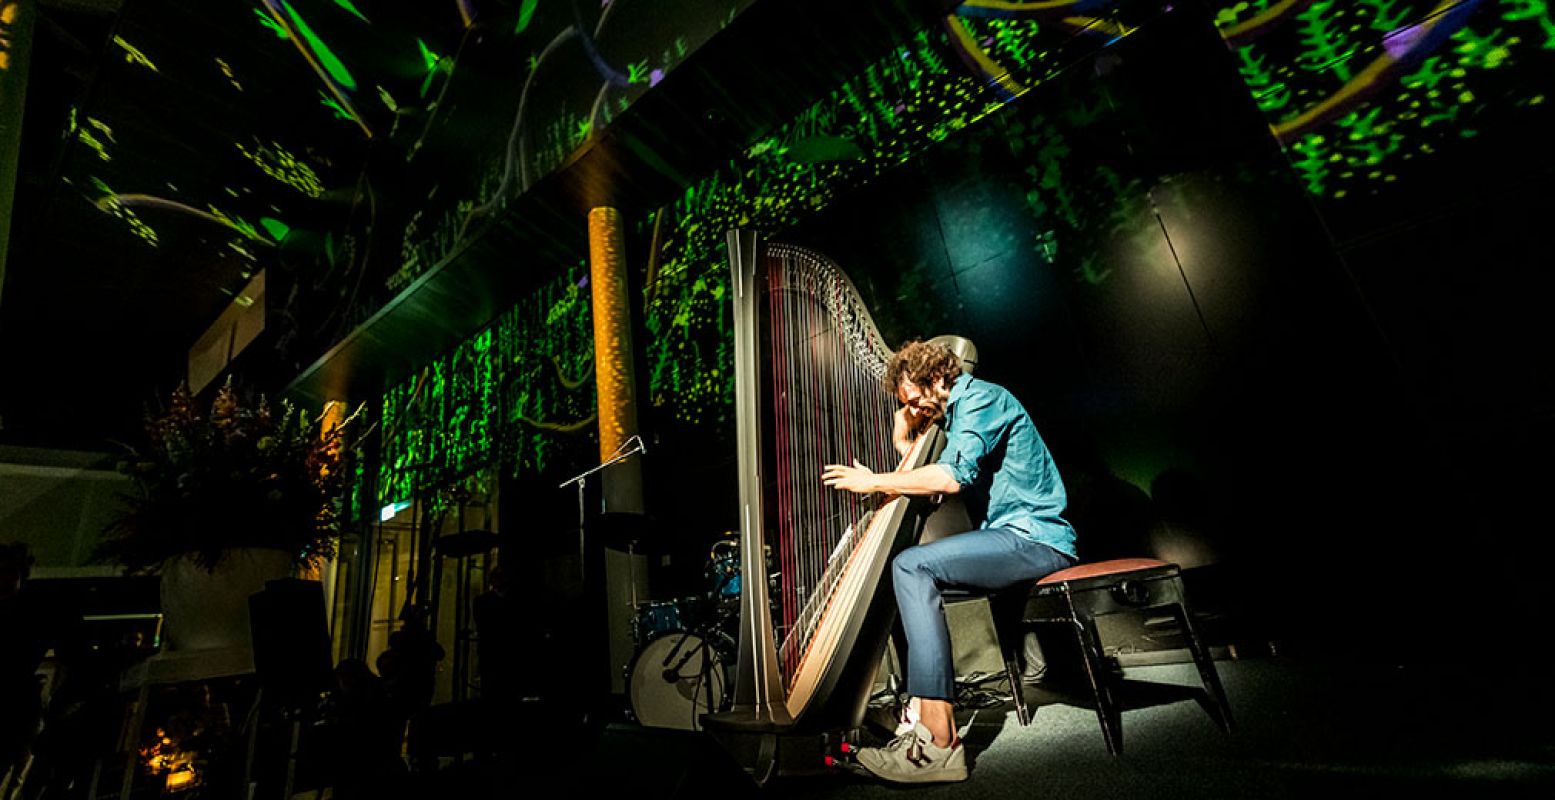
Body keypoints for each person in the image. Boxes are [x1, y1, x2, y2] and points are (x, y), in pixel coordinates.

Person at [822, 340, 1077, 784]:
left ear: (938, 378)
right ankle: (919, 717)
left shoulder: (982, 398)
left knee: (911, 566)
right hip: (1007, 538)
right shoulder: (954, 418)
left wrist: (873, 480)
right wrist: (903, 439)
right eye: (907, 403)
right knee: (900, 574)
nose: (915, 407)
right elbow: (925, 488)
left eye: (915, 396)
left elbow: (949, 478)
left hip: (1037, 539)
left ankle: (940, 742)